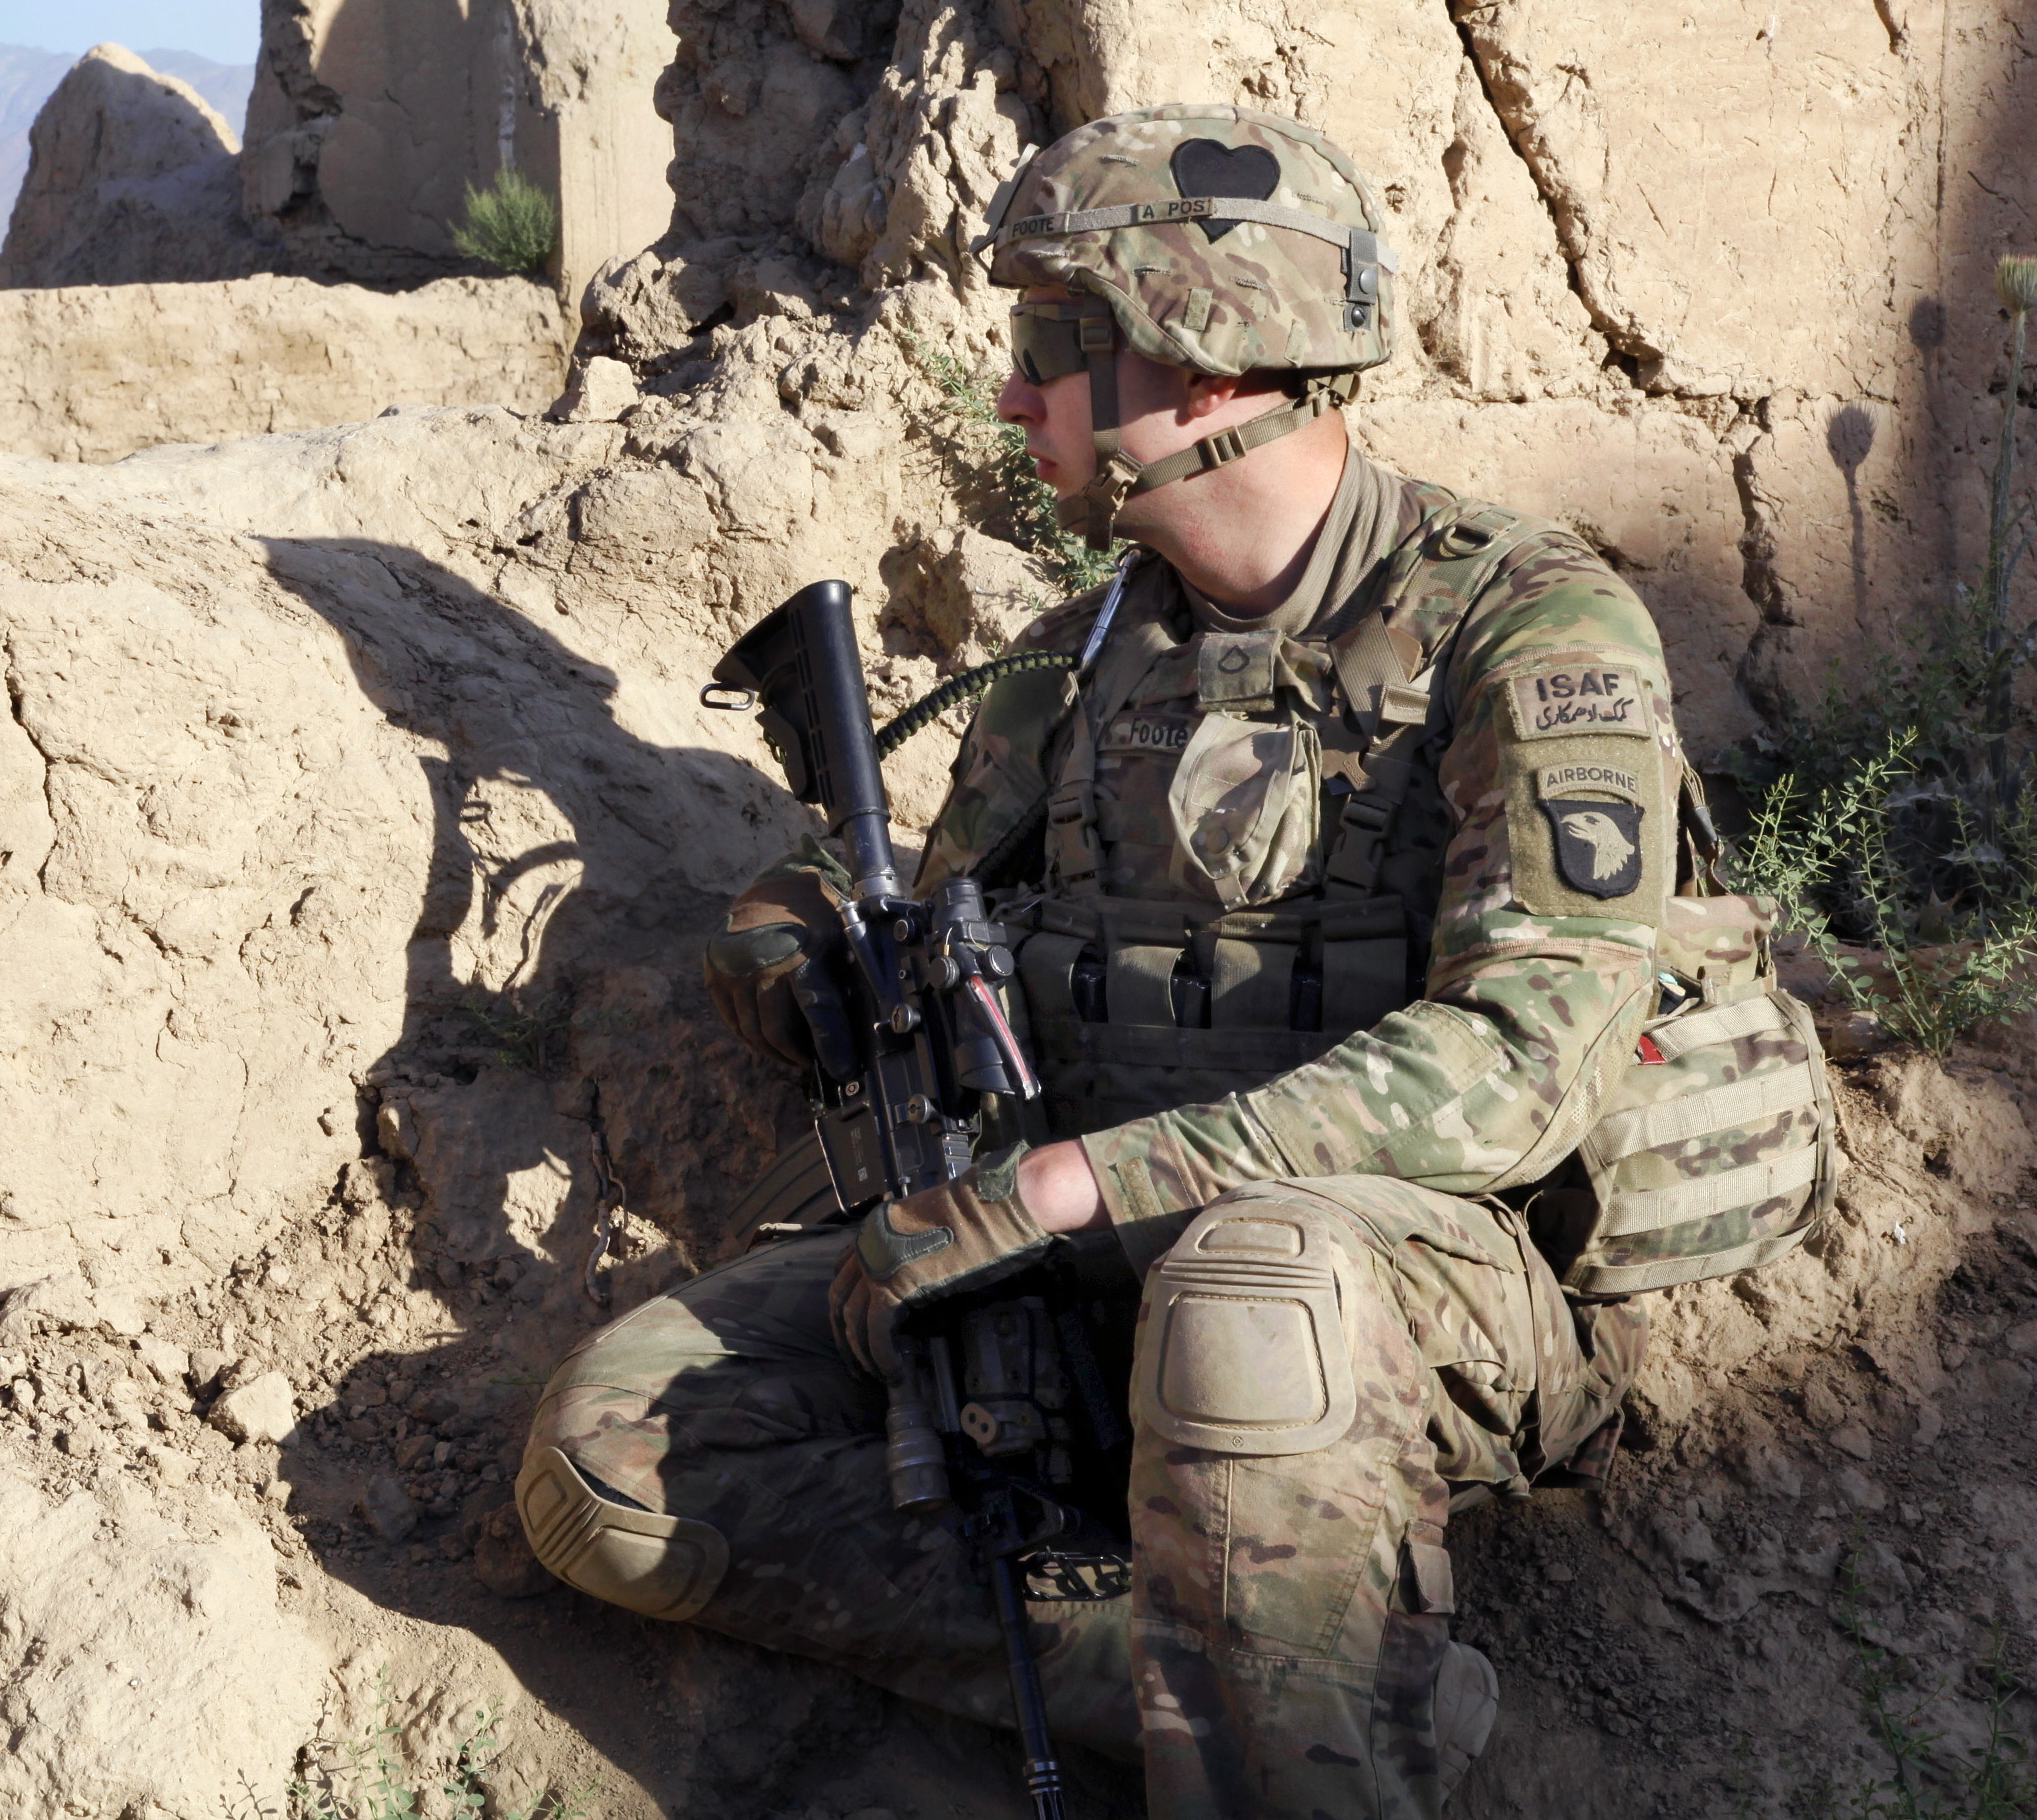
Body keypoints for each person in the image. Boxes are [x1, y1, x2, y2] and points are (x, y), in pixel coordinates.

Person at [515, 104, 1686, 1818]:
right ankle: (1260, 1681)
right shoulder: (1087, 651)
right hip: (1062, 1257)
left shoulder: (1528, 623)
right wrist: (791, 940)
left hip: (1403, 1279)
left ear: (1206, 371)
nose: (1009, 395)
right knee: (603, 1465)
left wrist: (1076, 1188)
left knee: (1245, 1293)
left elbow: (1523, 1060)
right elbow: (930, 904)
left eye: (1052, 349)